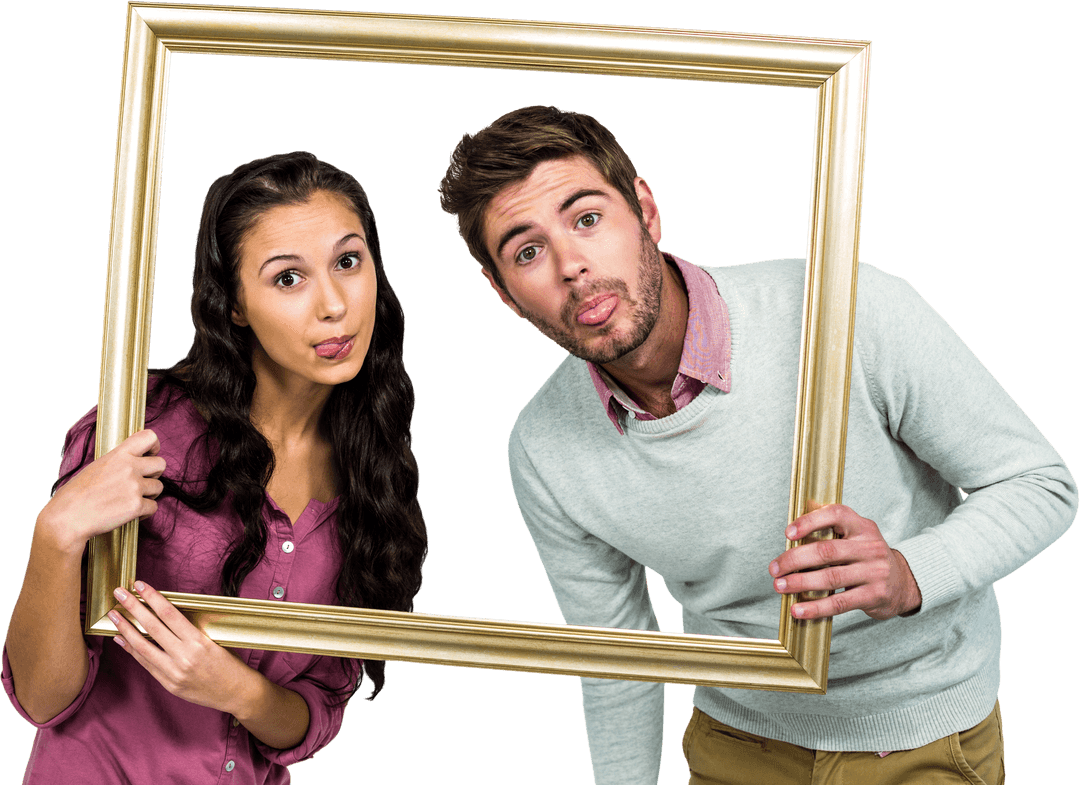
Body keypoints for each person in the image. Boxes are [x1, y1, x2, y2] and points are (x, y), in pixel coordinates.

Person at [437, 106, 1077, 785]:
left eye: (588, 218)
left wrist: (910, 573)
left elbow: (1040, 485)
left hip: (922, 733)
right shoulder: (543, 448)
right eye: (527, 252)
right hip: (737, 742)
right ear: (504, 294)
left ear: (646, 210)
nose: (572, 266)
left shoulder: (844, 309)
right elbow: (619, 662)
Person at [3, 151, 427, 784]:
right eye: (289, 278)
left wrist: (237, 690)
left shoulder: (374, 471)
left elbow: (314, 714)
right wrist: (56, 533)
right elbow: (41, 701)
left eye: (347, 261)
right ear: (234, 304)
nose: (335, 305)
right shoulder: (141, 430)